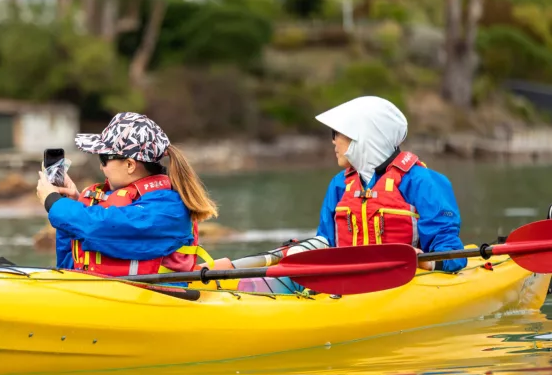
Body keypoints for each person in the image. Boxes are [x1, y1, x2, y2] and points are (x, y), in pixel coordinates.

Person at [235, 96, 467, 294]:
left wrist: (425, 263)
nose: (333, 141)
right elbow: (328, 240)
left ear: (364, 137)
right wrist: (299, 253)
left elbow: (454, 256)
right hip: (348, 286)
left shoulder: (423, 182)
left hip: (405, 285)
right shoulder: (339, 185)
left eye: (338, 133)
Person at [35, 112, 217, 277]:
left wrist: (54, 203)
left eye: (104, 159)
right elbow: (69, 268)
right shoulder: (114, 204)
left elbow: (101, 227)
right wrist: (73, 202)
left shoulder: (168, 210)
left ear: (130, 165)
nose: (101, 167)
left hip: (156, 302)